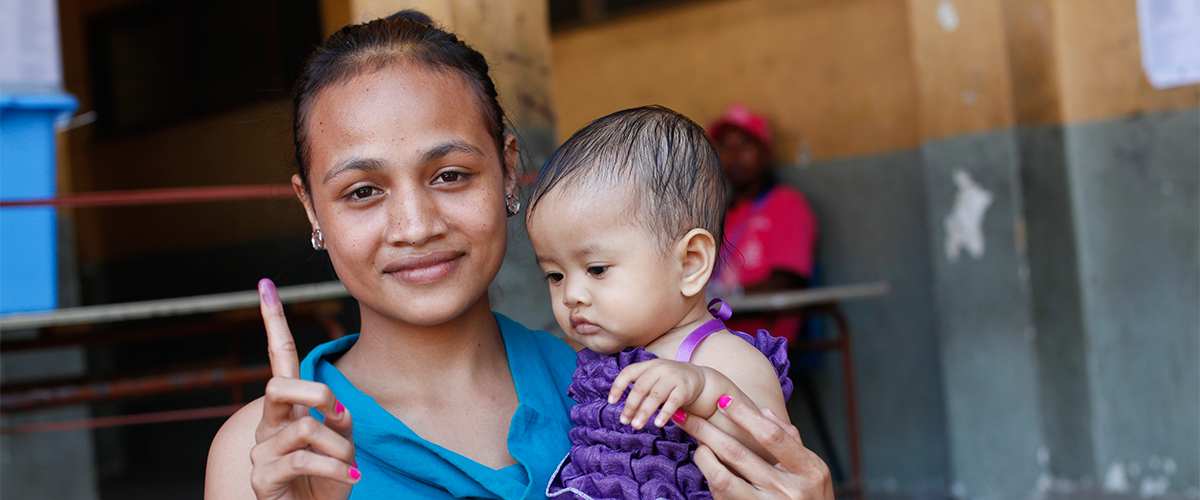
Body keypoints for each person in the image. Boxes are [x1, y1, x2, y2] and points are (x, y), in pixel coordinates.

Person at [205, 12, 833, 500]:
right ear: (312, 209)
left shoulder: (627, 395)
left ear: (508, 171)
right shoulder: (267, 455)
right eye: (362, 191)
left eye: (450, 175)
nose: (415, 226)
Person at [526, 106, 794, 500]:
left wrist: (704, 390)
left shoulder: (718, 355)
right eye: (555, 275)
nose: (571, 295)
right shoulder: (601, 360)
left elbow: (773, 452)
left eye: (596, 269)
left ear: (690, 264)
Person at [708, 104, 819, 346]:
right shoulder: (719, 214)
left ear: (765, 153)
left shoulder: (787, 205)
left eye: (745, 144)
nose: (734, 155)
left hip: (765, 339)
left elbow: (787, 282)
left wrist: (726, 297)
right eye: (725, 146)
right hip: (714, 335)